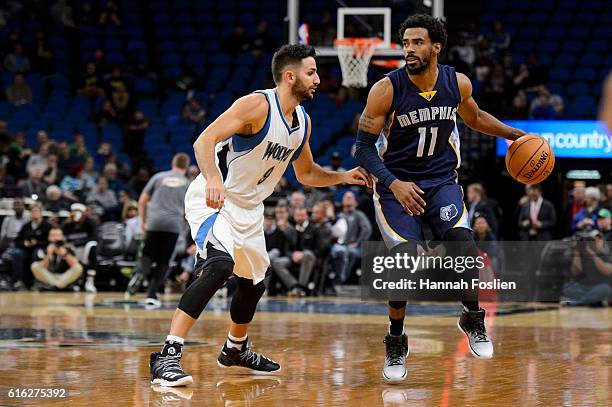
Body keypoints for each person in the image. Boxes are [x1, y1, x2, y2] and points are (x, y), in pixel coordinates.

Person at [149, 44, 369, 387]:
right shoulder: (257, 105)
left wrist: (342, 177)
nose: (318, 80)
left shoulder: (303, 124)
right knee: (219, 266)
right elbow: (204, 141)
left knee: (253, 285)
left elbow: (307, 174)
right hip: (214, 199)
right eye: (311, 73)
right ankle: (168, 356)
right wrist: (212, 178)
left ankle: (235, 348)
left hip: (250, 208)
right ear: (290, 76)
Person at [354, 14, 533, 382]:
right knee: (402, 263)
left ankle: (472, 318)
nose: (409, 50)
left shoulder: (457, 83)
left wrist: (512, 133)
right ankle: (396, 340)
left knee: (462, 243)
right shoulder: (386, 89)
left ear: (436, 47)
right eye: (405, 43)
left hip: (441, 182)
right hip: (396, 186)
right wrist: (393, 183)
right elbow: (362, 148)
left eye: (417, 43)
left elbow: (476, 117)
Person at [126, 153, 190, 307]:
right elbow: (190, 209)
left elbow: (142, 200)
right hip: (173, 224)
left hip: (154, 222)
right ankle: (152, 294)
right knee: (164, 261)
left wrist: (143, 222)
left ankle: (140, 275)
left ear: (173, 163)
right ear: (186, 167)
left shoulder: (158, 177)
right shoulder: (188, 183)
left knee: (147, 255)